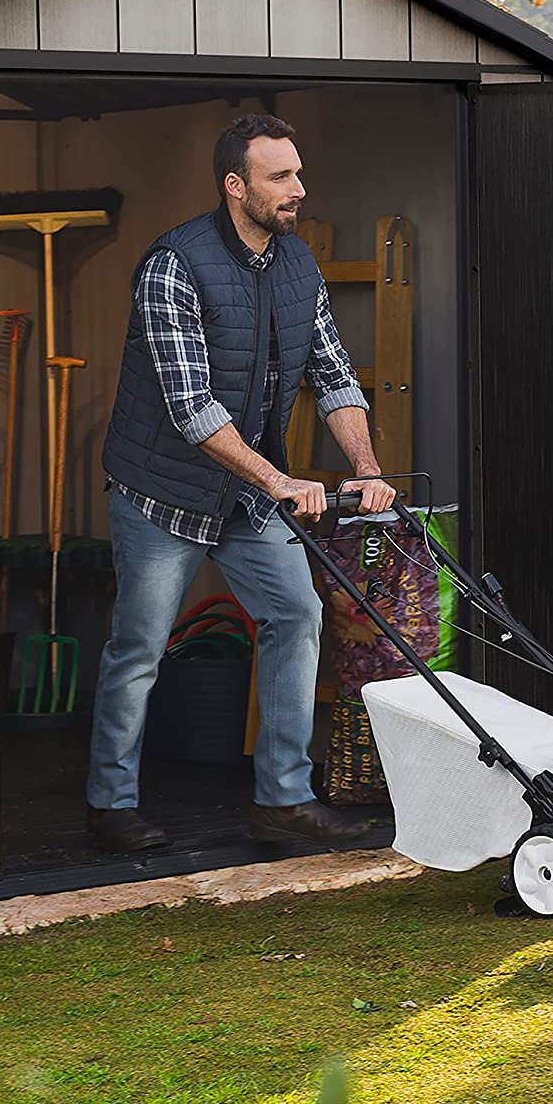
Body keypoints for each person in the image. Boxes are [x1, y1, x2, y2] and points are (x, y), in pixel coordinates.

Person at [87, 112, 398, 853]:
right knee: (140, 647)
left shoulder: (297, 266)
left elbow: (332, 374)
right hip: (162, 491)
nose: (299, 188)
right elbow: (192, 407)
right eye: (280, 176)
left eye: (297, 172)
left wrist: (368, 470)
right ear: (237, 186)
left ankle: (283, 798)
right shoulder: (175, 266)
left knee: (296, 613)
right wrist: (281, 479)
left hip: (248, 492)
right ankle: (111, 804)